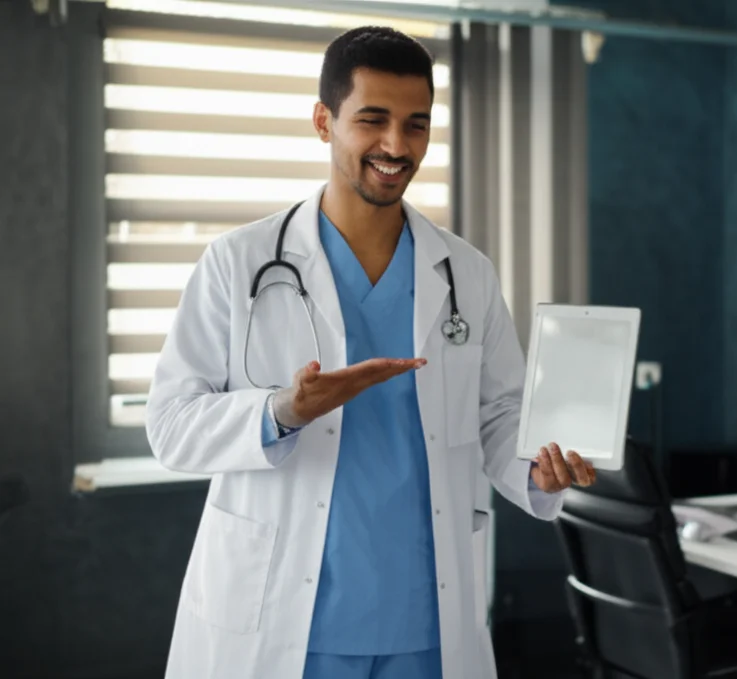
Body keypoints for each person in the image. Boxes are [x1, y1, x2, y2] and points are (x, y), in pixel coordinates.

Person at [145, 26, 597, 679]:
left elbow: (499, 415)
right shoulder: (237, 263)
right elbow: (169, 424)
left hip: (425, 617)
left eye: (416, 124)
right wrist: (281, 410)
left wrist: (538, 469)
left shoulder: (464, 273)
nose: (396, 145)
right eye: (373, 120)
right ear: (323, 122)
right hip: (288, 620)